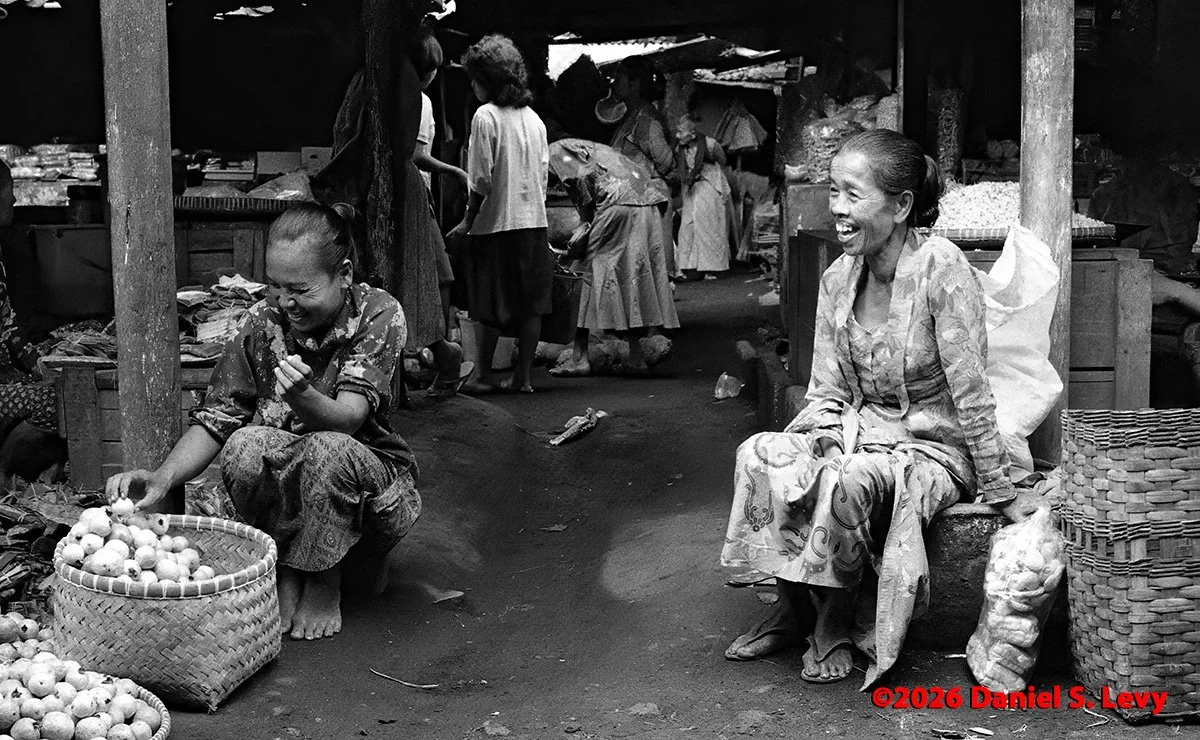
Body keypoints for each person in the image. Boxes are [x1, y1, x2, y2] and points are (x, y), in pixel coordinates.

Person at [721, 130, 1024, 687]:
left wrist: (1000, 489)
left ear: (901, 205)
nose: (837, 208)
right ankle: (792, 608)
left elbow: (972, 391)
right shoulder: (838, 277)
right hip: (858, 431)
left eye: (852, 195)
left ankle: (834, 619)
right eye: (833, 192)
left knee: (848, 476)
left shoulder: (941, 268)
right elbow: (825, 389)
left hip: (930, 447)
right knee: (760, 452)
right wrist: (824, 435)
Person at [106, 203, 421, 642]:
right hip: (293, 502)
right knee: (245, 444)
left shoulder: (378, 313)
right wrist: (163, 477)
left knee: (326, 448)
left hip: (372, 492)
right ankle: (289, 565)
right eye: (275, 286)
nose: (286, 302)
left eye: (301, 289)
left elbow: (347, 421)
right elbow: (218, 419)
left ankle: (325, 577)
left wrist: (303, 397)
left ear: (345, 274)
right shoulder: (262, 321)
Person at [448, 34, 551, 394]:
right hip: (533, 223)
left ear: (487, 80)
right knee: (531, 305)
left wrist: (467, 220)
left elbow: (481, 178)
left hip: (494, 224)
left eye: (475, 79)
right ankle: (524, 378)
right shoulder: (535, 120)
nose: (472, 86)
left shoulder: (485, 116)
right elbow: (542, 176)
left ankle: (481, 375)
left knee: (488, 304)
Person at [544, 139, 679, 378]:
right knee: (630, 275)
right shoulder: (588, 148)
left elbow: (581, 186)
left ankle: (579, 358)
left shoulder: (553, 153)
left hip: (618, 204)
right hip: (646, 201)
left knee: (584, 274)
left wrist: (582, 230)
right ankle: (636, 356)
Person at [410, 26, 474, 396]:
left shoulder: (416, 101)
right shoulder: (419, 101)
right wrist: (456, 171)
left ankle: (441, 351)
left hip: (415, 194)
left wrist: (453, 171)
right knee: (437, 272)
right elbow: (418, 155)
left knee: (437, 272)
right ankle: (441, 349)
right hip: (415, 194)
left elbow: (417, 155)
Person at [607, 57, 680, 278]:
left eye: (619, 77)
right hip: (635, 204)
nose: (613, 83)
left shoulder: (645, 120)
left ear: (634, 82)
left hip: (646, 204)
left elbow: (667, 163)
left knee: (646, 274)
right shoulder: (630, 117)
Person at [675, 115, 733, 279]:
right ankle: (686, 266)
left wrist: (703, 169)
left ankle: (710, 268)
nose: (677, 136)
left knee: (708, 226)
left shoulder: (709, 144)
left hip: (709, 185)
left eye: (681, 132)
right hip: (691, 187)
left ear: (692, 134)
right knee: (687, 225)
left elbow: (722, 159)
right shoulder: (680, 149)